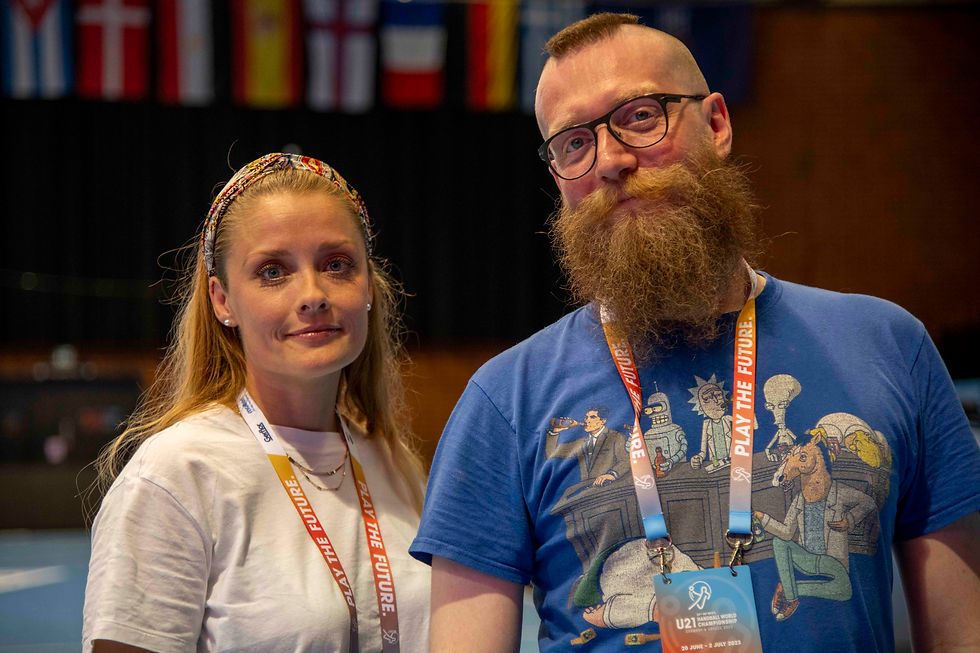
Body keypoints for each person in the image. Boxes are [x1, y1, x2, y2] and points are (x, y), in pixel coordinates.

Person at [409, 13, 980, 653]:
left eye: (640, 116)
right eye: (573, 143)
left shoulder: (889, 346)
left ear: (716, 125)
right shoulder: (503, 402)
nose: (611, 161)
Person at [83, 153, 430, 652]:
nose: (313, 294)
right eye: (273, 271)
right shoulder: (175, 474)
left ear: (368, 285)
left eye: (337, 264)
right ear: (223, 300)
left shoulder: (395, 465)